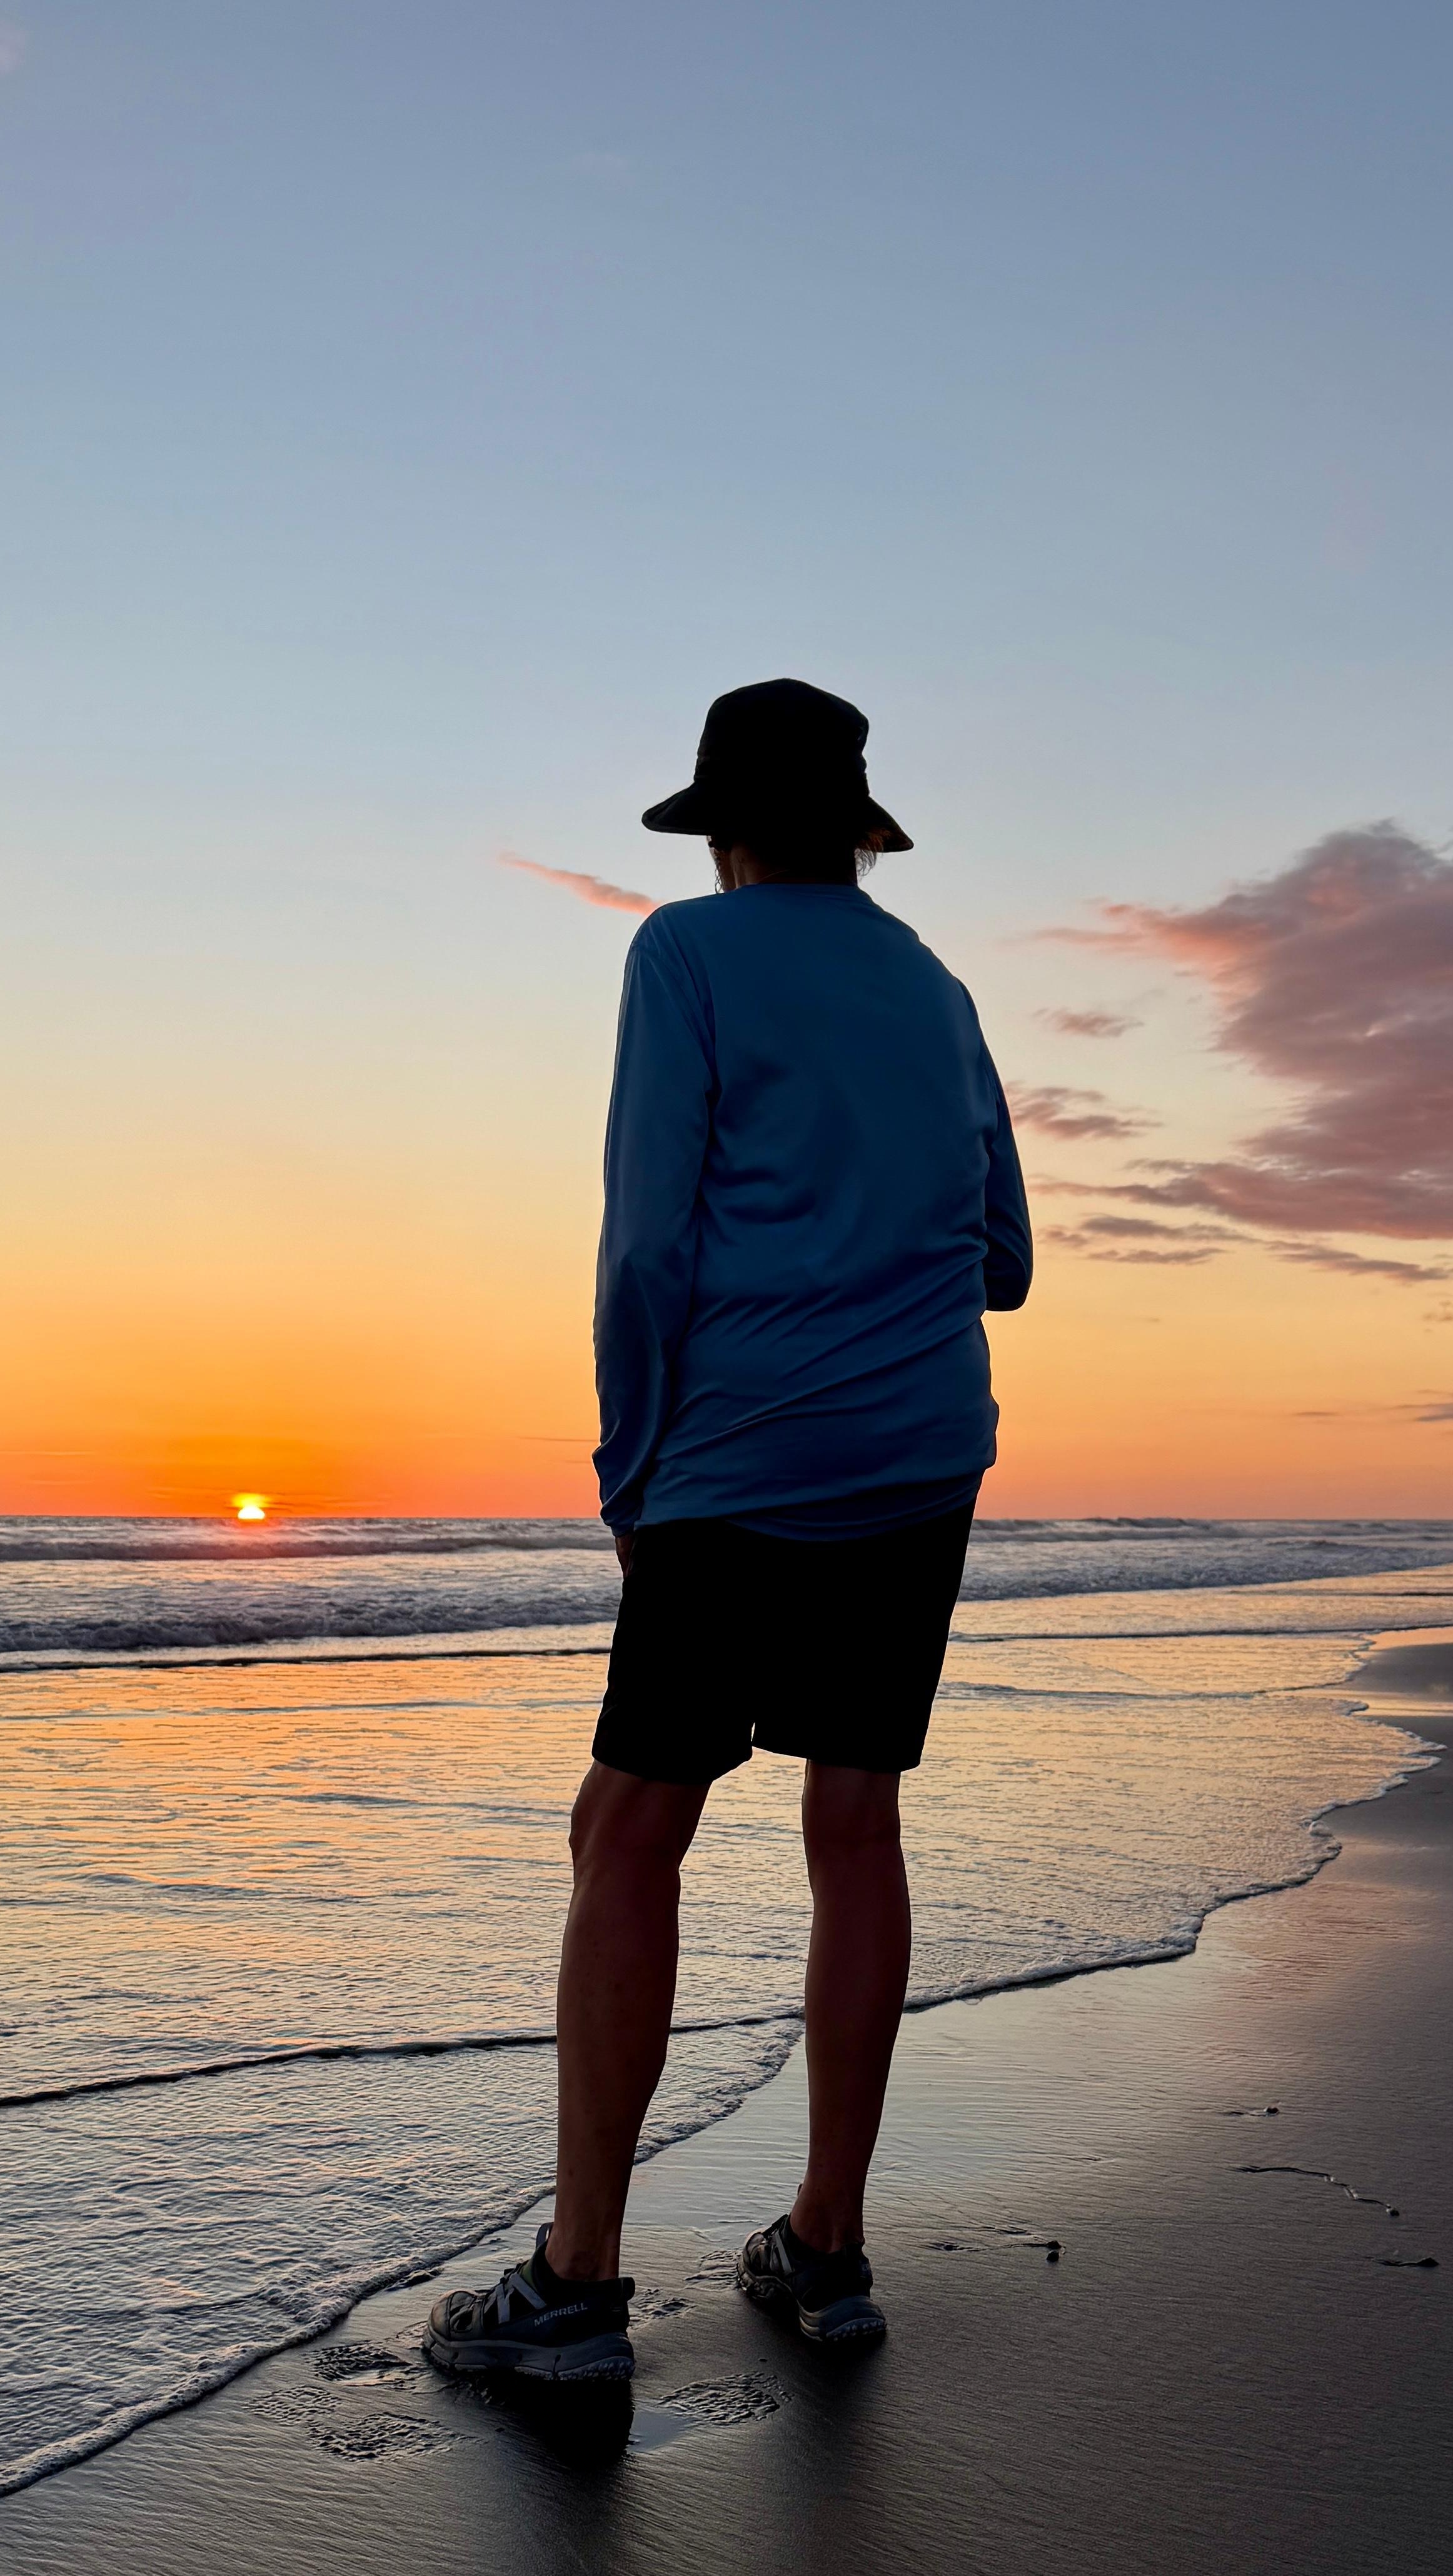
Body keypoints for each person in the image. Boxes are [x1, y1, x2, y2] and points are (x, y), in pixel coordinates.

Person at [425, 679, 1032, 2382]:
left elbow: (645, 1244)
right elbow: (1006, 1258)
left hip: (739, 1454)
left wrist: (630, 1468)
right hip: (920, 1453)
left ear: (726, 834)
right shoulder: (939, 985)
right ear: (853, 831)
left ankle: (577, 2284)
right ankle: (825, 2253)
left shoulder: (683, 961)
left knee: (629, 1831)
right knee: (856, 1825)